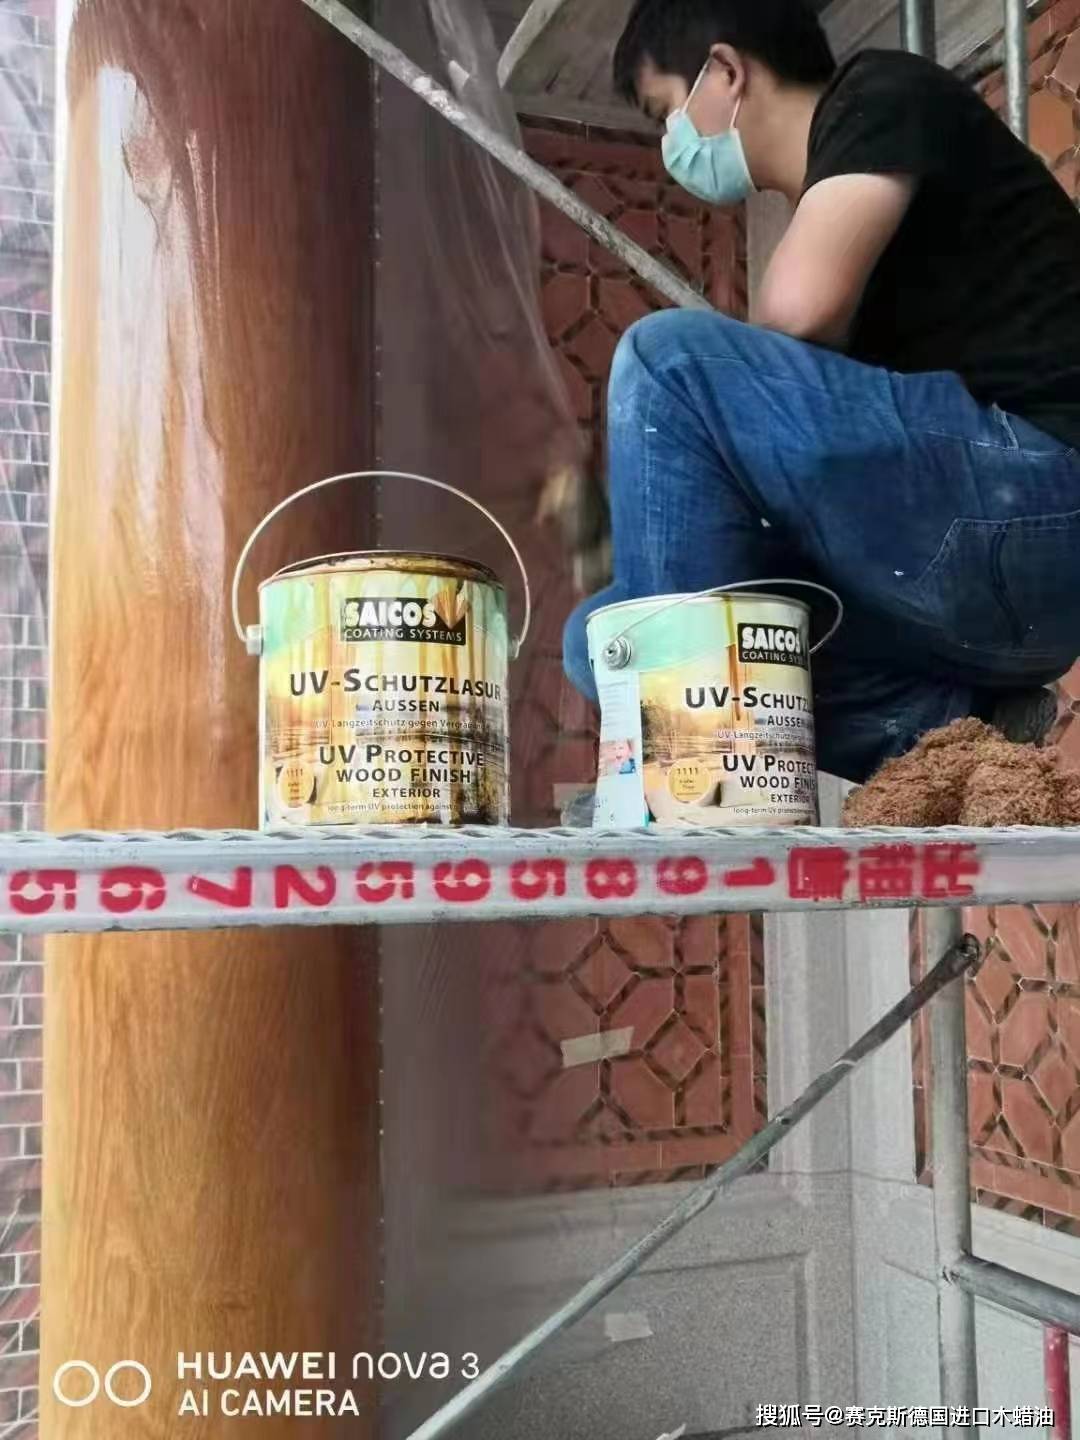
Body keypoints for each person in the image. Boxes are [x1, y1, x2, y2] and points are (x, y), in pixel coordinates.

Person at [562, 0, 1080, 785]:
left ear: (725, 72)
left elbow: (795, 314)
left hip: (1045, 499)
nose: (673, 145)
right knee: (602, 641)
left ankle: (696, 779)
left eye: (668, 112)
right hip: (981, 585)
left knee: (669, 362)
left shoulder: (881, 91)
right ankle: (952, 723)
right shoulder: (852, 213)